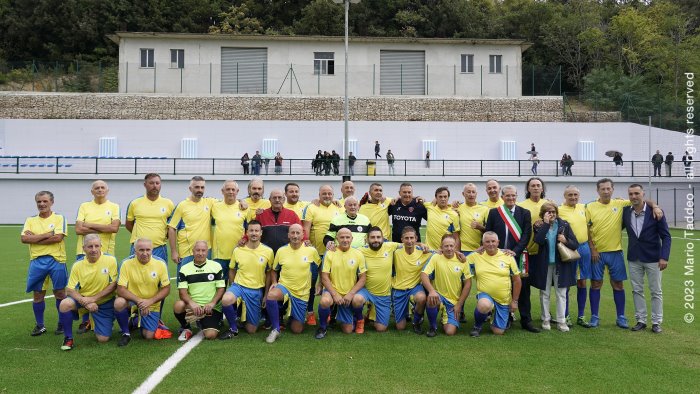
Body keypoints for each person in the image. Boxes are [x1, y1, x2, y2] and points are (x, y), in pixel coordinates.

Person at [586, 178, 663, 328]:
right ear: (598, 191)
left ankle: (621, 317)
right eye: (603, 189)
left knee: (618, 285)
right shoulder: (590, 207)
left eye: (609, 188)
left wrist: (656, 206)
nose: (606, 191)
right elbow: (587, 229)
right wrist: (593, 249)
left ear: (613, 190)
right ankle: (594, 317)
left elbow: (642, 201)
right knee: (596, 283)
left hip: (616, 252)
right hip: (597, 253)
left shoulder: (621, 204)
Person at [484, 185, 538, 333]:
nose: (511, 198)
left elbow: (527, 235)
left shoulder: (524, 213)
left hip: (519, 256)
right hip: (499, 257)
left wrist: (515, 252)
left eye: (513, 195)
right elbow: (489, 233)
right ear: (502, 197)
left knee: (524, 289)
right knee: (503, 288)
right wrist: (498, 251)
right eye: (507, 196)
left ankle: (526, 320)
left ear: (517, 196)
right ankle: (504, 318)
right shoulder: (495, 212)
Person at [623, 184, 671, 333]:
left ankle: (656, 322)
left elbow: (666, 236)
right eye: (631, 194)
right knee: (637, 290)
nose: (634, 196)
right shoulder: (625, 212)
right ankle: (641, 320)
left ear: (643, 194)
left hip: (653, 258)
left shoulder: (656, 212)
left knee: (656, 291)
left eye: (637, 193)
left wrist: (664, 257)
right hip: (634, 258)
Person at [58, 234, 118, 350]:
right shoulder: (78, 265)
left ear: (101, 246)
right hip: (85, 300)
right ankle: (68, 338)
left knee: (103, 339)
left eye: (96, 246)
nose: (94, 250)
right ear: (83, 248)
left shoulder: (110, 260)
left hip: (104, 302)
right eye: (90, 246)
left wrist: (93, 299)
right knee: (65, 304)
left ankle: (97, 321)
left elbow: (114, 285)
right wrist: (86, 302)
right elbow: (69, 290)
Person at [22, 191, 68, 336]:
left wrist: (34, 238)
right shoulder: (30, 220)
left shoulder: (60, 218)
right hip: (37, 260)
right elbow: (24, 239)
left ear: (51, 202)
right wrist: (48, 234)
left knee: (60, 292)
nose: (41, 204)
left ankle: (61, 323)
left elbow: (58, 238)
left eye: (45, 201)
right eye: (39, 202)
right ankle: (40, 325)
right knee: (38, 294)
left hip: (57, 260)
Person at [265, 224, 321, 342]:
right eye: (292, 233)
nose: (295, 236)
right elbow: (274, 270)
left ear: (303, 235)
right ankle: (275, 329)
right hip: (285, 286)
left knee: (297, 330)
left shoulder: (311, 251)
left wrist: (320, 283)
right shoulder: (281, 251)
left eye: (298, 233)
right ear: (288, 235)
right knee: (271, 295)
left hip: (302, 292)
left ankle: (292, 317)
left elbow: (321, 268)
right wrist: (274, 281)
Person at [219, 221, 274, 338]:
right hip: (239, 286)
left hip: (256, 290)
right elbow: (232, 269)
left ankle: (242, 319)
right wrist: (232, 286)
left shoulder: (268, 251)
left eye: (256, 231)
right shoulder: (238, 250)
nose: (254, 233)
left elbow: (269, 273)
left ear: (261, 233)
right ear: (247, 233)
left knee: (251, 329)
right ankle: (233, 329)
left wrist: (266, 294)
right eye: (251, 230)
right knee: (226, 299)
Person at [530, 203, 579, 332]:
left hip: (561, 264)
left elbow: (575, 245)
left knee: (561, 293)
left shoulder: (564, 225)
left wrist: (565, 240)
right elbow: (538, 241)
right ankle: (545, 318)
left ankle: (561, 321)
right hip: (545, 264)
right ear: (543, 214)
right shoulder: (539, 225)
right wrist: (546, 224)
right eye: (548, 212)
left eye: (553, 211)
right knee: (544, 293)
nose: (551, 214)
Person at [114, 238, 170, 346]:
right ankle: (126, 333)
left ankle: (135, 320)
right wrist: (140, 302)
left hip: (151, 304)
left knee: (148, 336)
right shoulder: (126, 263)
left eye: (148, 250)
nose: (145, 253)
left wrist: (149, 302)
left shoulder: (160, 263)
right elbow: (120, 289)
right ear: (135, 251)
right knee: (119, 302)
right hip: (132, 302)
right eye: (141, 250)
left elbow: (166, 288)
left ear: (152, 250)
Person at [314, 228, 367, 339]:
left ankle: (358, 318)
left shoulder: (358, 254)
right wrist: (335, 294)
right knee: (325, 301)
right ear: (337, 238)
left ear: (352, 239)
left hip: (348, 293)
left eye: (347, 237)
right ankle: (323, 327)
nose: (345, 239)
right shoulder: (330, 253)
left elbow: (363, 278)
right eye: (342, 237)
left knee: (347, 330)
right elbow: (324, 277)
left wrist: (351, 294)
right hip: (333, 290)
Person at [467, 232, 522, 337]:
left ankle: (493, 315)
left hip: (504, 298)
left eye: (493, 241)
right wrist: (474, 251)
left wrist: (514, 301)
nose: (490, 244)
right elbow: (460, 260)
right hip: (485, 294)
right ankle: (477, 326)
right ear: (483, 243)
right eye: (487, 242)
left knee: (498, 332)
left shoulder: (508, 256)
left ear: (498, 242)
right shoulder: (476, 256)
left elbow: (517, 280)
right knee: (484, 305)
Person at [301, 185, 342, 324]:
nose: (327, 196)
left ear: (333, 194)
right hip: (315, 253)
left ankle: (331, 313)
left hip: (334, 253)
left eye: (329, 193)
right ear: (319, 194)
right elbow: (305, 228)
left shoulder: (339, 207)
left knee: (332, 284)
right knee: (311, 284)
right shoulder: (312, 207)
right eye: (324, 193)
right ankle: (310, 312)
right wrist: (306, 241)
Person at [173, 240, 226, 341]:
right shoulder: (184, 269)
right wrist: (192, 303)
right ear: (193, 251)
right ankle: (186, 328)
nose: (200, 253)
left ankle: (208, 321)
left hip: (211, 307)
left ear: (207, 252)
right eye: (198, 250)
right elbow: (182, 292)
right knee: (178, 305)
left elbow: (221, 289)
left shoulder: (216, 266)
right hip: (193, 307)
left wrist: (212, 303)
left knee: (210, 335)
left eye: (203, 250)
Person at [558, 185, 594, 328]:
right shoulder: (559, 210)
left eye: (575, 195)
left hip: (584, 248)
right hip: (568, 248)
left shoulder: (584, 208)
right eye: (570, 195)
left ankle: (581, 315)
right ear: (564, 196)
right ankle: (565, 314)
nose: (573, 197)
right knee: (567, 283)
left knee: (582, 282)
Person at [421, 234, 471, 337]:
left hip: (453, 301)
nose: (449, 248)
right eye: (446, 246)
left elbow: (468, 284)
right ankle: (432, 327)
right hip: (438, 296)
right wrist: (431, 291)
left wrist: (459, 305)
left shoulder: (462, 260)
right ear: (441, 247)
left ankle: (446, 316)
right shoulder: (436, 257)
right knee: (431, 299)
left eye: (451, 246)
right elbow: (424, 274)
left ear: (455, 246)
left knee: (450, 332)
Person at [354, 227, 400, 333]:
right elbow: (345, 249)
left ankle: (370, 314)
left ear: (383, 238)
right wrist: (333, 247)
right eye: (373, 237)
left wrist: (421, 245)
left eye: (378, 237)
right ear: (367, 239)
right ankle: (360, 319)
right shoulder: (360, 250)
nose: (376, 240)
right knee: (357, 299)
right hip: (366, 291)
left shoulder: (390, 246)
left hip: (383, 294)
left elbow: (408, 244)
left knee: (381, 328)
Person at [168, 176, 215, 278]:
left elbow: (228, 201)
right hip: (187, 252)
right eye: (197, 187)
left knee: (204, 282)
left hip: (205, 251)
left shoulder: (209, 202)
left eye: (202, 187)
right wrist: (174, 251)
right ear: (190, 188)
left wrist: (242, 201)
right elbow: (171, 228)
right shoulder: (182, 205)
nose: (200, 190)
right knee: (184, 284)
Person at [125, 173, 174, 262]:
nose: (155, 186)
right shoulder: (135, 203)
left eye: (157, 183)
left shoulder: (168, 203)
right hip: (138, 247)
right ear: (145, 185)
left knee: (160, 274)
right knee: (136, 274)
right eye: (151, 183)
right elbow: (128, 224)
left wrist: (163, 235)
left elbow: (172, 225)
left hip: (159, 247)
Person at [392, 227, 431, 333]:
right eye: (406, 238)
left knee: (422, 298)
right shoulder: (395, 252)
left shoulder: (424, 253)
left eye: (412, 238)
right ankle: (407, 309)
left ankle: (416, 321)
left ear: (416, 238)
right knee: (400, 327)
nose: (409, 241)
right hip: (398, 289)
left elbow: (441, 253)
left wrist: (459, 255)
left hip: (415, 287)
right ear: (402, 239)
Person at [75, 180, 120, 258]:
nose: (100, 190)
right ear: (92, 192)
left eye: (102, 187)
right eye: (97, 188)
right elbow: (79, 230)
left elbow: (114, 228)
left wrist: (89, 225)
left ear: (107, 191)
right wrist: (105, 228)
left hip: (106, 251)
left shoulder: (114, 207)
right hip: (84, 252)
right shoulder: (84, 206)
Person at [211, 180, 247, 277]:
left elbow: (251, 229)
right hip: (219, 256)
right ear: (222, 191)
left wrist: (245, 239)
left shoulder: (244, 208)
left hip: (238, 253)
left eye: (233, 189)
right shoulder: (215, 206)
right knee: (220, 287)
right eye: (228, 189)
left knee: (236, 287)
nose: (230, 192)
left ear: (237, 191)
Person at [456, 183, 488, 254]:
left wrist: (480, 227)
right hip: (463, 249)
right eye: (468, 192)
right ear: (463, 194)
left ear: (476, 194)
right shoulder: (458, 207)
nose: (471, 194)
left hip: (480, 249)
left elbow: (490, 230)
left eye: (473, 192)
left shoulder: (484, 209)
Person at [425, 186, 460, 251]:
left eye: (445, 196)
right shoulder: (430, 207)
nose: (443, 199)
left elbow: (456, 238)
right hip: (429, 251)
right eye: (440, 197)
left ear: (448, 197)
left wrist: (456, 253)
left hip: (444, 252)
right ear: (436, 198)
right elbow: (415, 200)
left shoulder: (454, 214)